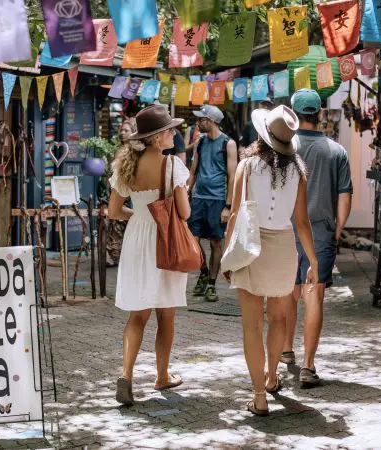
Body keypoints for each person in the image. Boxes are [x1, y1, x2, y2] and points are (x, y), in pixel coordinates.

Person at [224, 105, 318, 416]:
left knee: (252, 325)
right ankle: (273, 376)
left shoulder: (247, 166)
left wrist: (227, 255)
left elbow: (236, 214)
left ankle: (259, 396)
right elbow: (302, 222)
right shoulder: (299, 170)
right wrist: (314, 262)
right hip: (283, 248)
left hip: (251, 244)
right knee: (279, 319)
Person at [108, 105, 192, 406]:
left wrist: (140, 214)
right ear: (157, 138)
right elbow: (184, 213)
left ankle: (126, 375)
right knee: (166, 314)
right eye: (169, 130)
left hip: (136, 239)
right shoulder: (173, 167)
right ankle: (162, 375)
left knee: (137, 313)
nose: (174, 133)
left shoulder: (126, 166)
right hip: (164, 240)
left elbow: (114, 211)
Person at [282, 89, 353, 388]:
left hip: (285, 228)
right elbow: (345, 196)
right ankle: (308, 366)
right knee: (314, 295)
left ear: (296, 116)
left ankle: (286, 350)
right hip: (321, 229)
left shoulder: (284, 147)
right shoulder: (336, 151)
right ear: (320, 113)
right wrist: (337, 229)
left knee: (288, 291)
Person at [187, 105, 238, 302]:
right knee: (193, 239)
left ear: (212, 121)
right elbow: (193, 171)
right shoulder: (200, 142)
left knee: (216, 242)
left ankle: (211, 283)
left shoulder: (228, 143)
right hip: (199, 197)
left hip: (217, 200)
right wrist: (187, 191)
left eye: (201, 119)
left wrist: (227, 206)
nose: (198, 123)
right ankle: (203, 272)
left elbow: (232, 177)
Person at [105, 119, 136, 267]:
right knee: (114, 230)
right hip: (115, 194)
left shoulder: (135, 153)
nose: (123, 133)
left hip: (129, 197)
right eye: (121, 130)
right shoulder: (115, 151)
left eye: (126, 131)